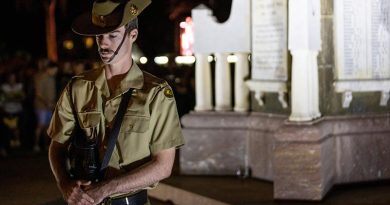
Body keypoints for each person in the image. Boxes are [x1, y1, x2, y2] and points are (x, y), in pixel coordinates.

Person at [47, 0, 184, 205]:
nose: (103, 43)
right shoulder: (78, 88)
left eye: (112, 35)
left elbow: (163, 166)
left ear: (133, 35)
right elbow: (56, 146)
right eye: (99, 36)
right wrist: (65, 184)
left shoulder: (155, 93)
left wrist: (107, 188)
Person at [34, 61, 58, 152]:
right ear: (49, 69)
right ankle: (36, 145)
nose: (55, 72)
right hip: (41, 106)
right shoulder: (42, 78)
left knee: (47, 126)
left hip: (49, 106)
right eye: (54, 70)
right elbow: (38, 94)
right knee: (40, 126)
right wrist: (47, 102)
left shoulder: (52, 78)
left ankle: (46, 145)